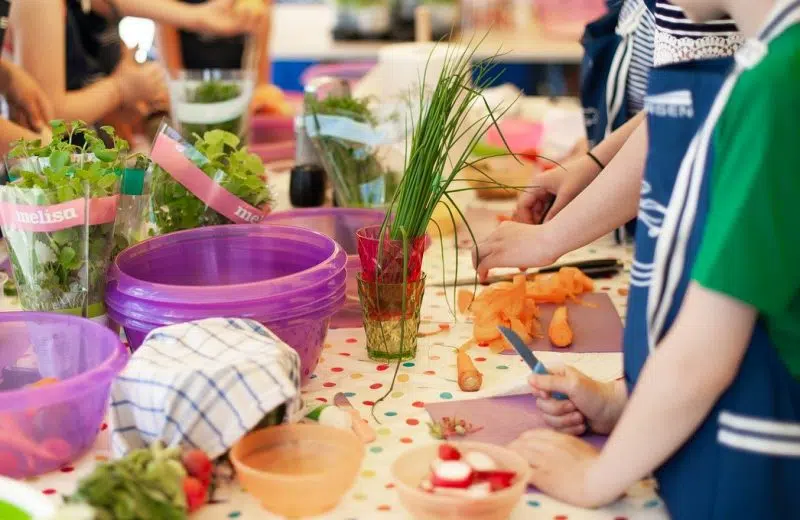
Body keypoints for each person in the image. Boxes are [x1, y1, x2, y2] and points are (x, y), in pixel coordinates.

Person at [487, 0, 800, 517]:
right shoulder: (766, 65)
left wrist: (594, 479)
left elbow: (707, 350)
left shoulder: (779, 87)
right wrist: (624, 407)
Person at [8, 0, 265, 129]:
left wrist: (134, 106)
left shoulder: (107, 5)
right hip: (48, 198)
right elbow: (46, 117)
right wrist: (120, 89)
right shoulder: (40, 4)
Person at [158, 0, 271, 86]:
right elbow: (172, 74)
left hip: (238, 85)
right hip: (187, 83)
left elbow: (261, 24)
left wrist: (260, 87)